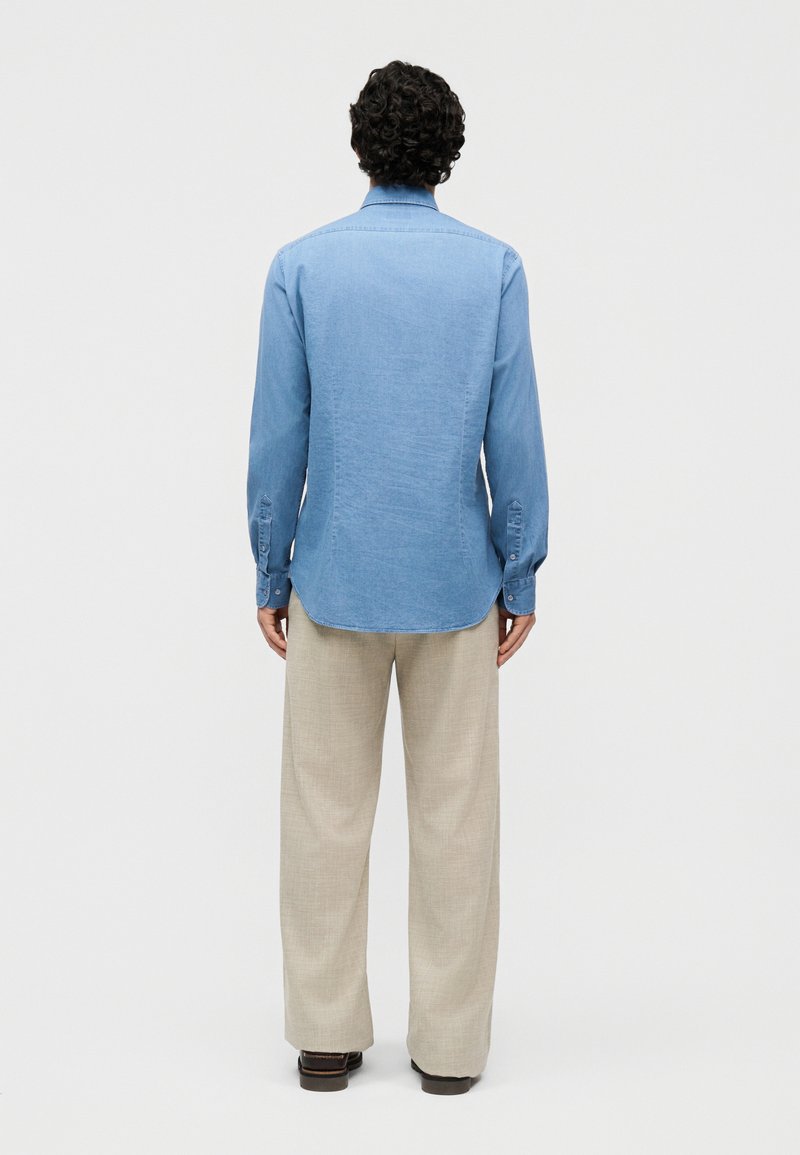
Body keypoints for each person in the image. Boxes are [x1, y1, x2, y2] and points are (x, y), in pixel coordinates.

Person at [246, 59, 549, 1095]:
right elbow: (513, 433)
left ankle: (325, 1037)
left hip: (332, 578)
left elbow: (277, 436)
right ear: (447, 152)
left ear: (359, 146)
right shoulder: (492, 269)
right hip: (455, 584)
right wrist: (519, 571)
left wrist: (269, 566)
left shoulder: (301, 267)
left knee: (323, 814)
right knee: (456, 819)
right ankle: (451, 1050)